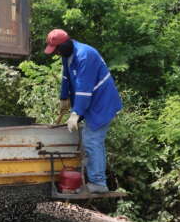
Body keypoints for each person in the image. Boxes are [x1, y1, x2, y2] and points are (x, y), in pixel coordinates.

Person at [45, 28, 122, 193]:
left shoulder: (85, 55)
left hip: (102, 103)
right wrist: (64, 97)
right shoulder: (68, 56)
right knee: (87, 140)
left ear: (65, 45)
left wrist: (76, 113)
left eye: (57, 50)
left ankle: (99, 183)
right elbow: (66, 77)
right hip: (90, 101)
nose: (57, 53)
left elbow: (84, 89)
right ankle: (90, 179)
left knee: (92, 140)